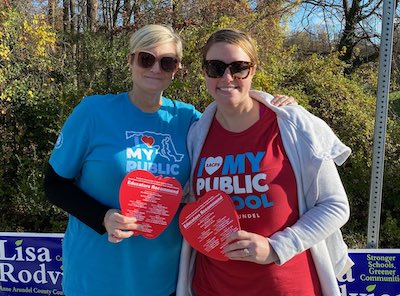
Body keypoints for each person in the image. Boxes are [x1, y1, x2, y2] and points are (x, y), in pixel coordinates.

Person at [44, 24, 296, 296]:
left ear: (176, 69)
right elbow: (55, 185)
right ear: (130, 60)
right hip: (95, 278)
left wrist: (275, 108)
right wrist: (102, 217)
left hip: (164, 281)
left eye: (166, 62)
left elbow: (235, 138)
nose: (155, 69)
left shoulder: (188, 120)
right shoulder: (93, 112)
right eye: (146, 59)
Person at [177, 28, 353, 296]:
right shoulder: (196, 134)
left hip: (285, 286)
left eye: (239, 67)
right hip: (210, 286)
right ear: (204, 72)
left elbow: (335, 206)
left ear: (253, 70)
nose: (227, 77)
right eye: (215, 67)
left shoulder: (292, 126)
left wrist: (276, 248)